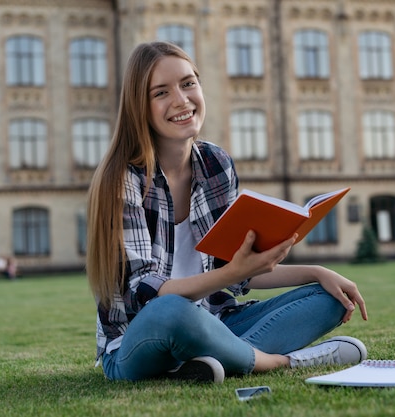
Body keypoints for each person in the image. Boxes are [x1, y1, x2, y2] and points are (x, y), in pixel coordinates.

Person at [85, 41, 368, 384]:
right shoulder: (123, 178)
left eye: (188, 83)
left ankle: (204, 363)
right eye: (161, 92)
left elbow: (236, 270)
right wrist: (233, 272)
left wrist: (317, 271)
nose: (181, 100)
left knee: (330, 297)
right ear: (138, 107)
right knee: (172, 310)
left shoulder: (215, 164)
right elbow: (142, 292)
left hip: (216, 322)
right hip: (139, 336)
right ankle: (279, 362)